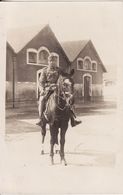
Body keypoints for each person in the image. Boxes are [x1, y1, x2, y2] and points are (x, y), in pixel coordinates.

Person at [36, 53, 81, 127]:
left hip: (59, 89)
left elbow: (65, 75)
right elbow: (41, 83)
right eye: (51, 61)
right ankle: (40, 119)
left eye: (54, 61)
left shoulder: (59, 69)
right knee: (42, 99)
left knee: (69, 98)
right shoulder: (44, 71)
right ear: (48, 61)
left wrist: (70, 74)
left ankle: (73, 118)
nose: (53, 62)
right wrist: (48, 87)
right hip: (48, 89)